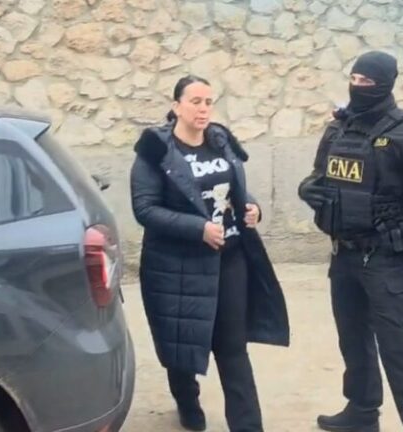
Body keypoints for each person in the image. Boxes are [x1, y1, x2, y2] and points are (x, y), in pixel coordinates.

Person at [130, 75, 290, 432]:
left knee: (232, 347)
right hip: (177, 265)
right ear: (176, 106)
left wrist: (252, 207)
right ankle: (187, 403)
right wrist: (197, 228)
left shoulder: (220, 141)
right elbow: (145, 209)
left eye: (208, 102)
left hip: (230, 258)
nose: (203, 109)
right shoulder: (156, 150)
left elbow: (233, 191)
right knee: (182, 345)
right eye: (195, 102)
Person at [298, 51, 403, 432]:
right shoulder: (338, 130)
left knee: (397, 351)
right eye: (354, 79)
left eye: (366, 81)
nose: (358, 86)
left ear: (386, 84)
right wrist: (307, 189)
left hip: (388, 261)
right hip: (344, 255)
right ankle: (362, 413)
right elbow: (318, 177)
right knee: (353, 341)